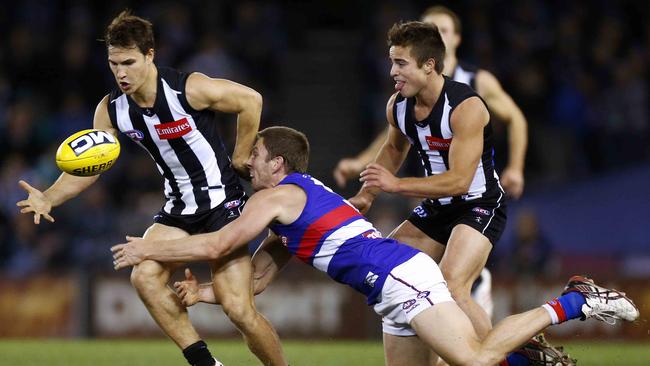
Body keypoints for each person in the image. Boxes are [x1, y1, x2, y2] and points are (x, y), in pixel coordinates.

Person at [110, 126, 639, 366]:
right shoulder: (295, 203)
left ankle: (574, 300)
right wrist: (203, 295)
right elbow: (262, 276)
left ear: (280, 165)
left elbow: (221, 241)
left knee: (473, 361)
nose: (249, 163)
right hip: (389, 291)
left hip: (401, 276)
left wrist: (149, 251)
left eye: (258, 156)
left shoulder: (276, 198)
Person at [15, 10, 286, 366]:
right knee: (143, 277)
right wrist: (49, 195)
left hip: (223, 206)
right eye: (114, 64)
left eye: (129, 62)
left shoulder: (189, 88)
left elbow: (250, 100)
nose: (121, 73)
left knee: (238, 310)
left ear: (150, 55)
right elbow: (92, 168)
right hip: (177, 212)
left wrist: (239, 154)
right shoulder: (111, 111)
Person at [334, 5, 527, 200]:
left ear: (457, 38)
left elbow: (516, 119)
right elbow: (397, 134)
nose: (436, 35)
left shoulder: (477, 81)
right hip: (430, 185)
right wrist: (362, 163)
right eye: (430, 28)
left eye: (443, 30)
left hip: (475, 192)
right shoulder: (409, 91)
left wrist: (515, 168)